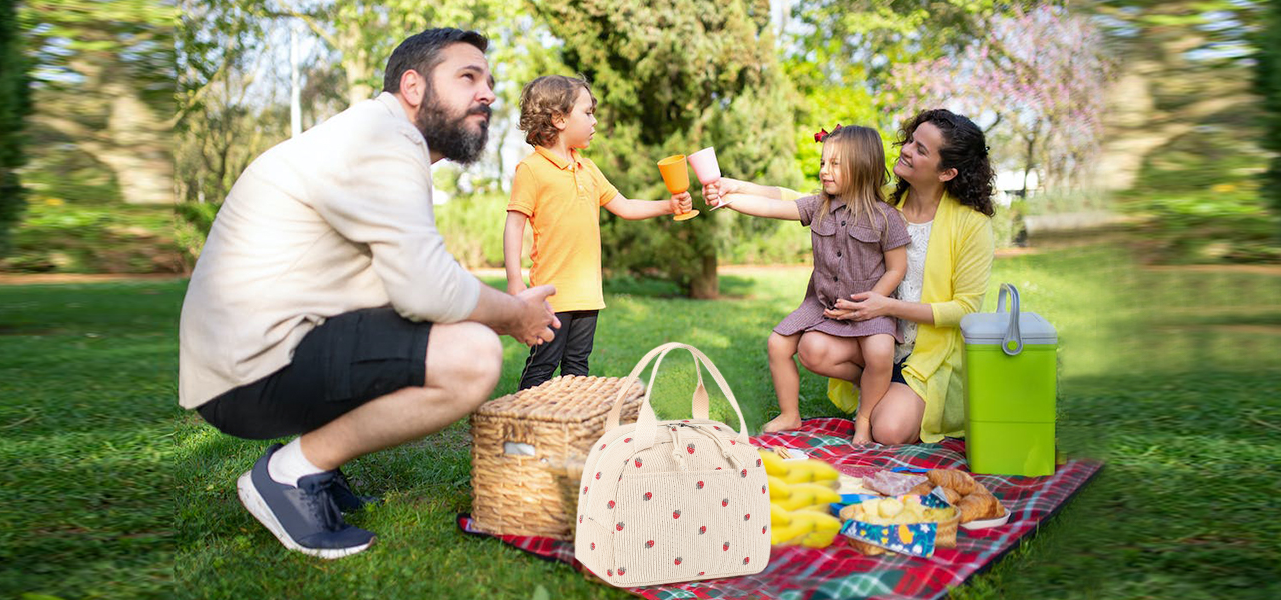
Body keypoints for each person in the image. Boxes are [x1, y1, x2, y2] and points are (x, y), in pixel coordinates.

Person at [178, 28, 560, 559]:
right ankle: (288, 475)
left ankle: (319, 465)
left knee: (445, 330)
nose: (488, 94)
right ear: (413, 86)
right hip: (245, 370)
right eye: (468, 76)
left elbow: (412, 283)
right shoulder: (382, 140)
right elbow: (427, 288)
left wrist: (496, 306)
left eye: (490, 82)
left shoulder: (377, 137)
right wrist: (514, 315)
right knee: (472, 355)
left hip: (252, 354)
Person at [705, 109, 996, 445]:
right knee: (812, 348)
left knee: (887, 431)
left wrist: (885, 306)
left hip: (925, 354)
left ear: (947, 172)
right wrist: (738, 188)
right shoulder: (883, 204)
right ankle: (878, 386)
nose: (906, 149)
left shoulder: (971, 224)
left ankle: (888, 399)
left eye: (921, 150)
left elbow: (965, 309)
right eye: (912, 140)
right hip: (871, 334)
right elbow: (800, 202)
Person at [705, 125, 909, 445]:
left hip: (870, 305)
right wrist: (729, 199)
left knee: (880, 353)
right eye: (823, 163)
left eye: (835, 164)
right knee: (778, 344)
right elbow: (773, 208)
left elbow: (897, 269)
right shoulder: (819, 206)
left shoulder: (886, 217)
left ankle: (866, 419)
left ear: (864, 166)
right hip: (823, 301)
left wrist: (873, 301)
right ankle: (790, 414)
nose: (824, 171)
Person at [503, 75, 692, 390]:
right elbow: (514, 223)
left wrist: (669, 205)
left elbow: (625, 206)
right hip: (552, 295)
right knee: (543, 366)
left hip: (588, 292)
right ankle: (522, 426)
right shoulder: (532, 169)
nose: (594, 121)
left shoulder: (588, 168)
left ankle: (573, 427)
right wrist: (514, 280)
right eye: (587, 113)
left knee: (578, 368)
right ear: (559, 118)